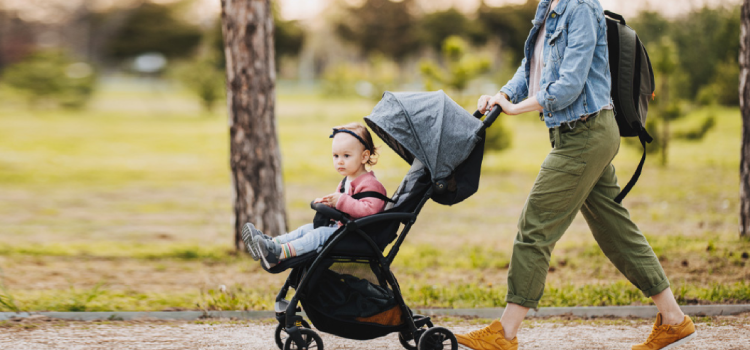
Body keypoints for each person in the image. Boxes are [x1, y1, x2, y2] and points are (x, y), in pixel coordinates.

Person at [455, 1, 696, 350]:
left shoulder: (581, 8)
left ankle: (504, 334)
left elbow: (569, 84)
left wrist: (516, 108)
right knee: (616, 230)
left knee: (535, 226)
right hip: (574, 134)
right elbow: (531, 68)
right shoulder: (547, 7)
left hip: (586, 134)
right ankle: (673, 319)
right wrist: (503, 94)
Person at [243, 122, 388, 269]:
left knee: (317, 235)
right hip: (345, 230)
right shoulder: (346, 181)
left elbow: (370, 211)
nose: (340, 161)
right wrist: (329, 205)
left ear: (364, 157)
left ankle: (279, 254)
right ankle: (271, 243)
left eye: (346, 155)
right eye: (336, 156)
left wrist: (341, 201)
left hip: (358, 238)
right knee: (305, 229)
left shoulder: (372, 185)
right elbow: (344, 208)